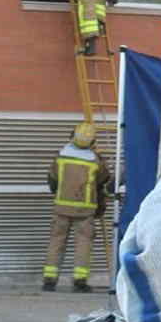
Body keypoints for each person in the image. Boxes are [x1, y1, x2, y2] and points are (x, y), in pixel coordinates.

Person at [44, 122, 112, 293]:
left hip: (62, 207)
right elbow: (104, 180)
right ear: (92, 141)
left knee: (56, 241)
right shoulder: (95, 160)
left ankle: (49, 280)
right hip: (85, 209)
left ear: (72, 136)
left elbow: (52, 179)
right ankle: (80, 281)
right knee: (83, 243)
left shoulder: (61, 156)